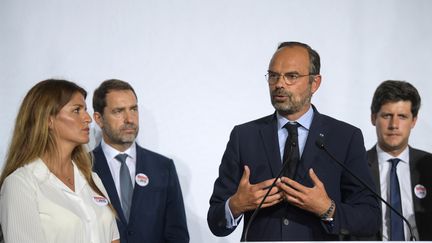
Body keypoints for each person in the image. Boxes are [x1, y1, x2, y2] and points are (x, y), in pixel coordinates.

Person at [207, 41, 380, 241]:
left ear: (315, 83)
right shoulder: (244, 136)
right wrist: (236, 205)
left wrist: (327, 208)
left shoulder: (345, 137)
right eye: (273, 76)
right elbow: (215, 221)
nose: (279, 84)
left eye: (291, 76)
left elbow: (370, 218)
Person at [0, 79, 119, 243]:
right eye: (77, 110)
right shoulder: (20, 184)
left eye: (85, 109)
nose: (88, 118)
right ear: (48, 119)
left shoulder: (93, 180)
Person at [92, 79, 189, 243]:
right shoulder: (82, 167)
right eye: (118, 111)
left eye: (133, 109)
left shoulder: (163, 168)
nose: (129, 119)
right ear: (99, 118)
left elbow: (177, 235)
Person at [368, 80, 432, 240]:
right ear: (373, 118)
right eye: (387, 115)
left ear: (414, 121)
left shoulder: (428, 166)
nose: (394, 125)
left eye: (402, 116)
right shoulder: (355, 166)